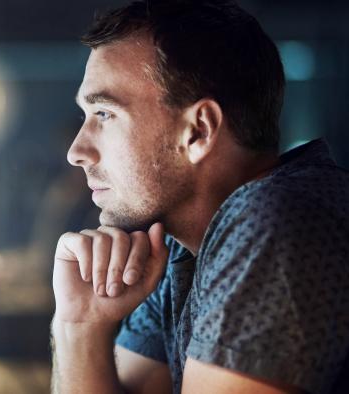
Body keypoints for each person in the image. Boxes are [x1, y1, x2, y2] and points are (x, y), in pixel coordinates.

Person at [50, 1, 349, 393]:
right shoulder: (179, 248)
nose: (76, 151)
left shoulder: (273, 219)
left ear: (198, 132)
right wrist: (79, 325)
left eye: (104, 114)